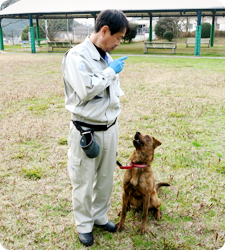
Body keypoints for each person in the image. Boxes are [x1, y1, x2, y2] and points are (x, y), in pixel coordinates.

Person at [62, 9, 130, 247]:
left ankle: (100, 216)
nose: (119, 43)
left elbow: (111, 92)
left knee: (105, 178)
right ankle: (84, 225)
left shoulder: (106, 56)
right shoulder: (77, 56)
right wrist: (110, 72)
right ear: (104, 31)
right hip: (86, 130)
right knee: (83, 179)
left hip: (110, 127)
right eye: (119, 37)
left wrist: (110, 70)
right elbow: (86, 90)